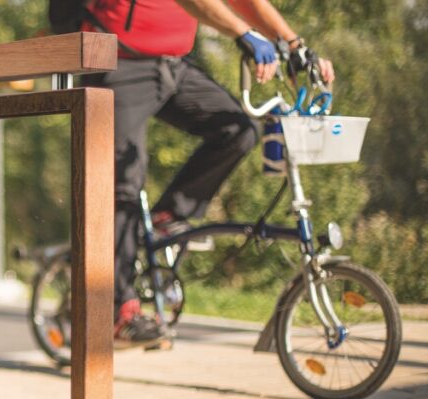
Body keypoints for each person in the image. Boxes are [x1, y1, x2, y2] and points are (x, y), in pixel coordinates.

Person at [75, 0, 334, 348]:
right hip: (117, 60)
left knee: (238, 131)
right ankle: (120, 312)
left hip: (173, 65)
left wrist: (294, 44)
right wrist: (243, 33)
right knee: (122, 181)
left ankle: (170, 215)